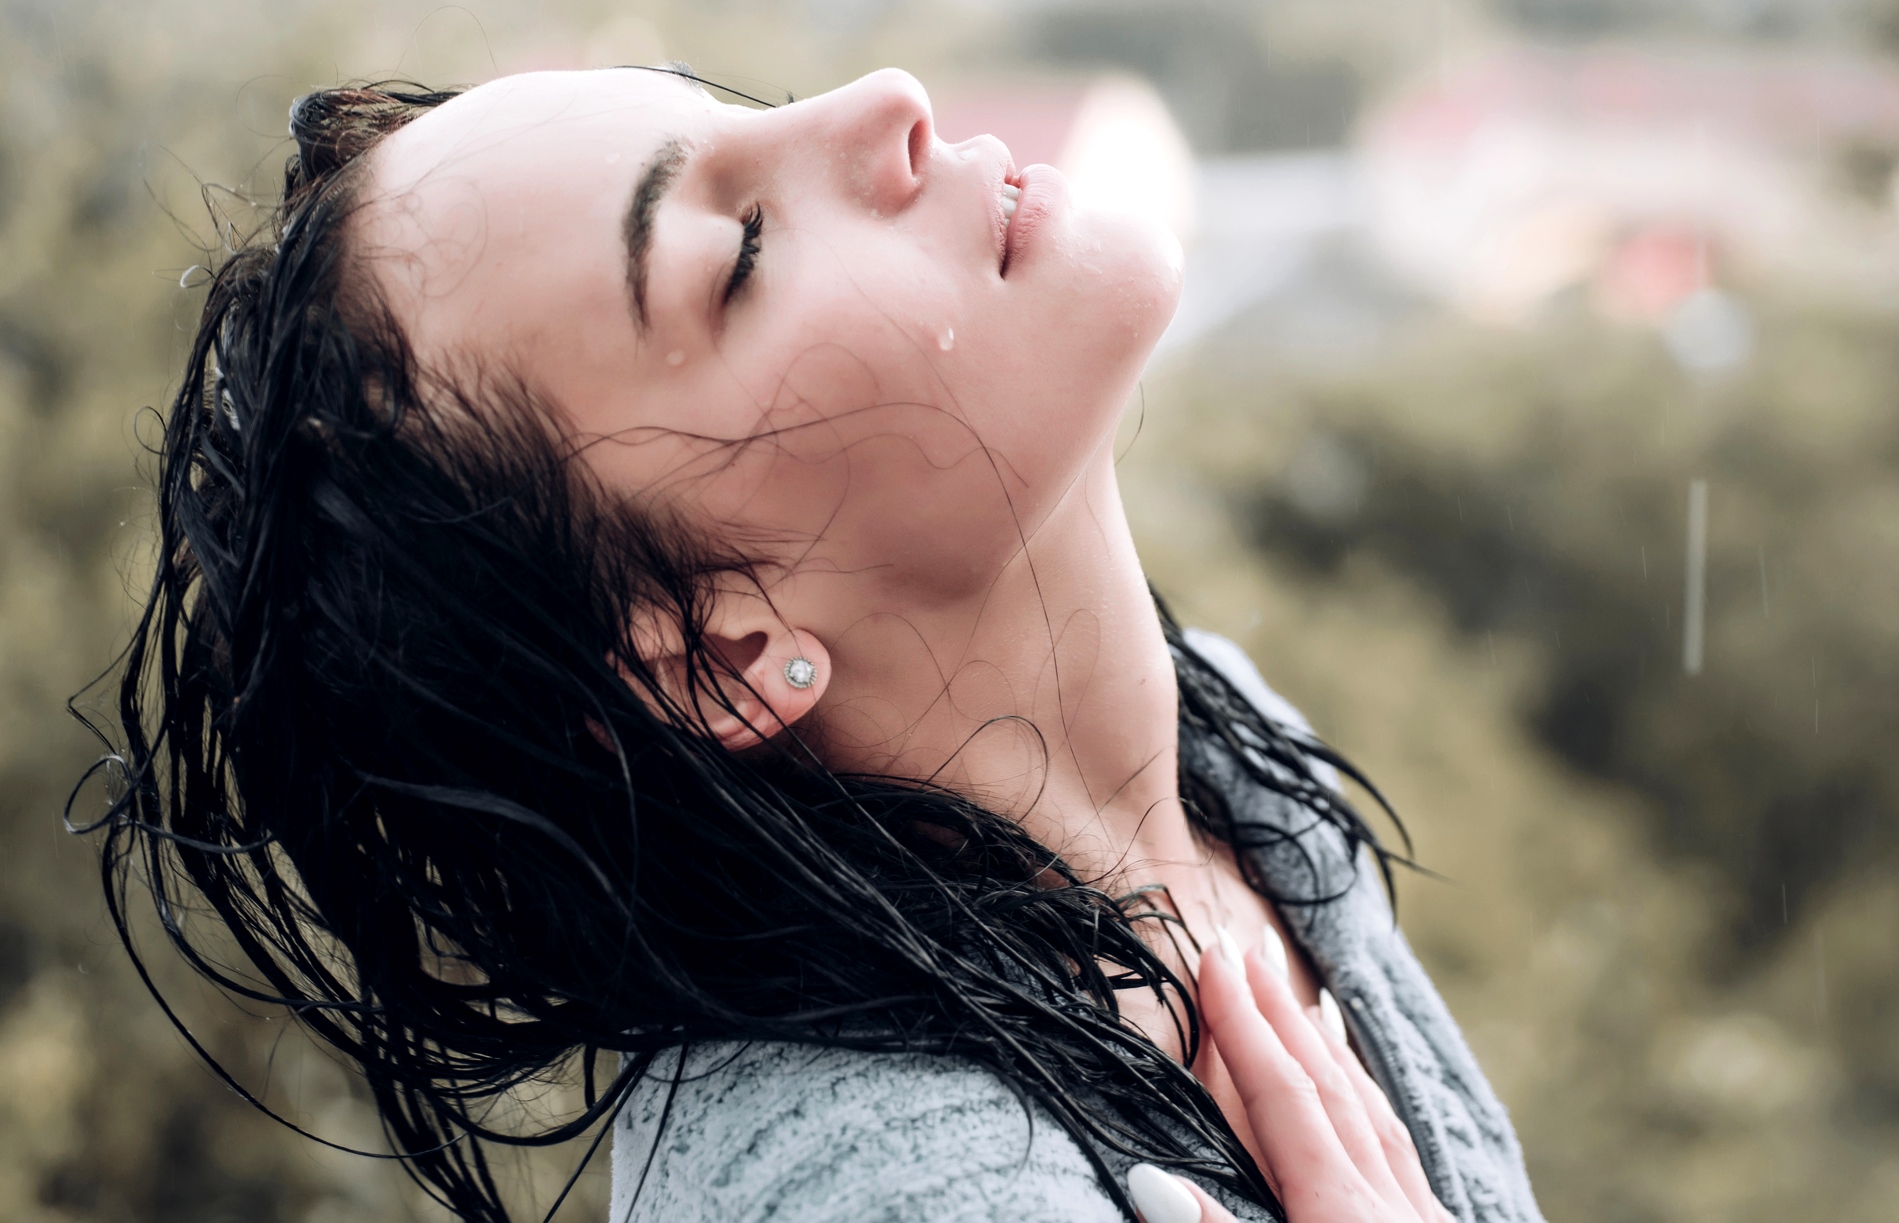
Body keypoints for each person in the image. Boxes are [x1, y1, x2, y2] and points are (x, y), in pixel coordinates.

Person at [82, 65, 1543, 1223]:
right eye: (745, 248)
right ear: (716, 656)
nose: (888, 100)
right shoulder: (882, 1186)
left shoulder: (1227, 757)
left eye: (750, 118)